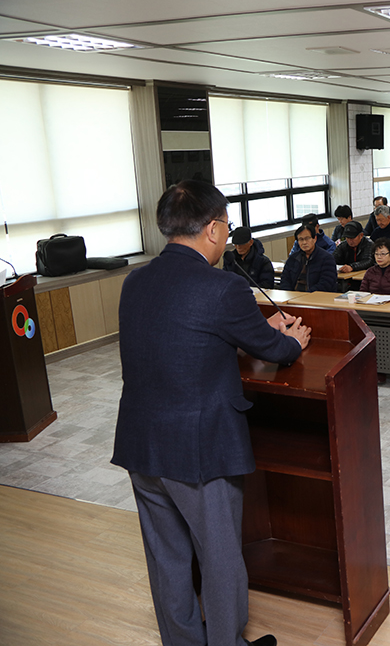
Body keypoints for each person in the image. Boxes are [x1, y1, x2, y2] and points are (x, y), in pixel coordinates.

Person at [113, 180, 309, 646]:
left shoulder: (134, 280)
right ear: (216, 229)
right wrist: (291, 340)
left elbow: (180, 336)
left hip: (142, 443)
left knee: (167, 557)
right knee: (219, 557)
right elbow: (274, 350)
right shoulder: (223, 287)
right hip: (199, 451)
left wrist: (253, 328)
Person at [280, 224, 339, 292]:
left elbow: (326, 284)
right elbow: (285, 280)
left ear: (315, 239)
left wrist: (306, 295)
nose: (304, 242)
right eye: (301, 239)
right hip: (294, 297)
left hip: (316, 297)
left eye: (307, 238)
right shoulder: (293, 258)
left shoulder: (327, 258)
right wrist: (290, 294)